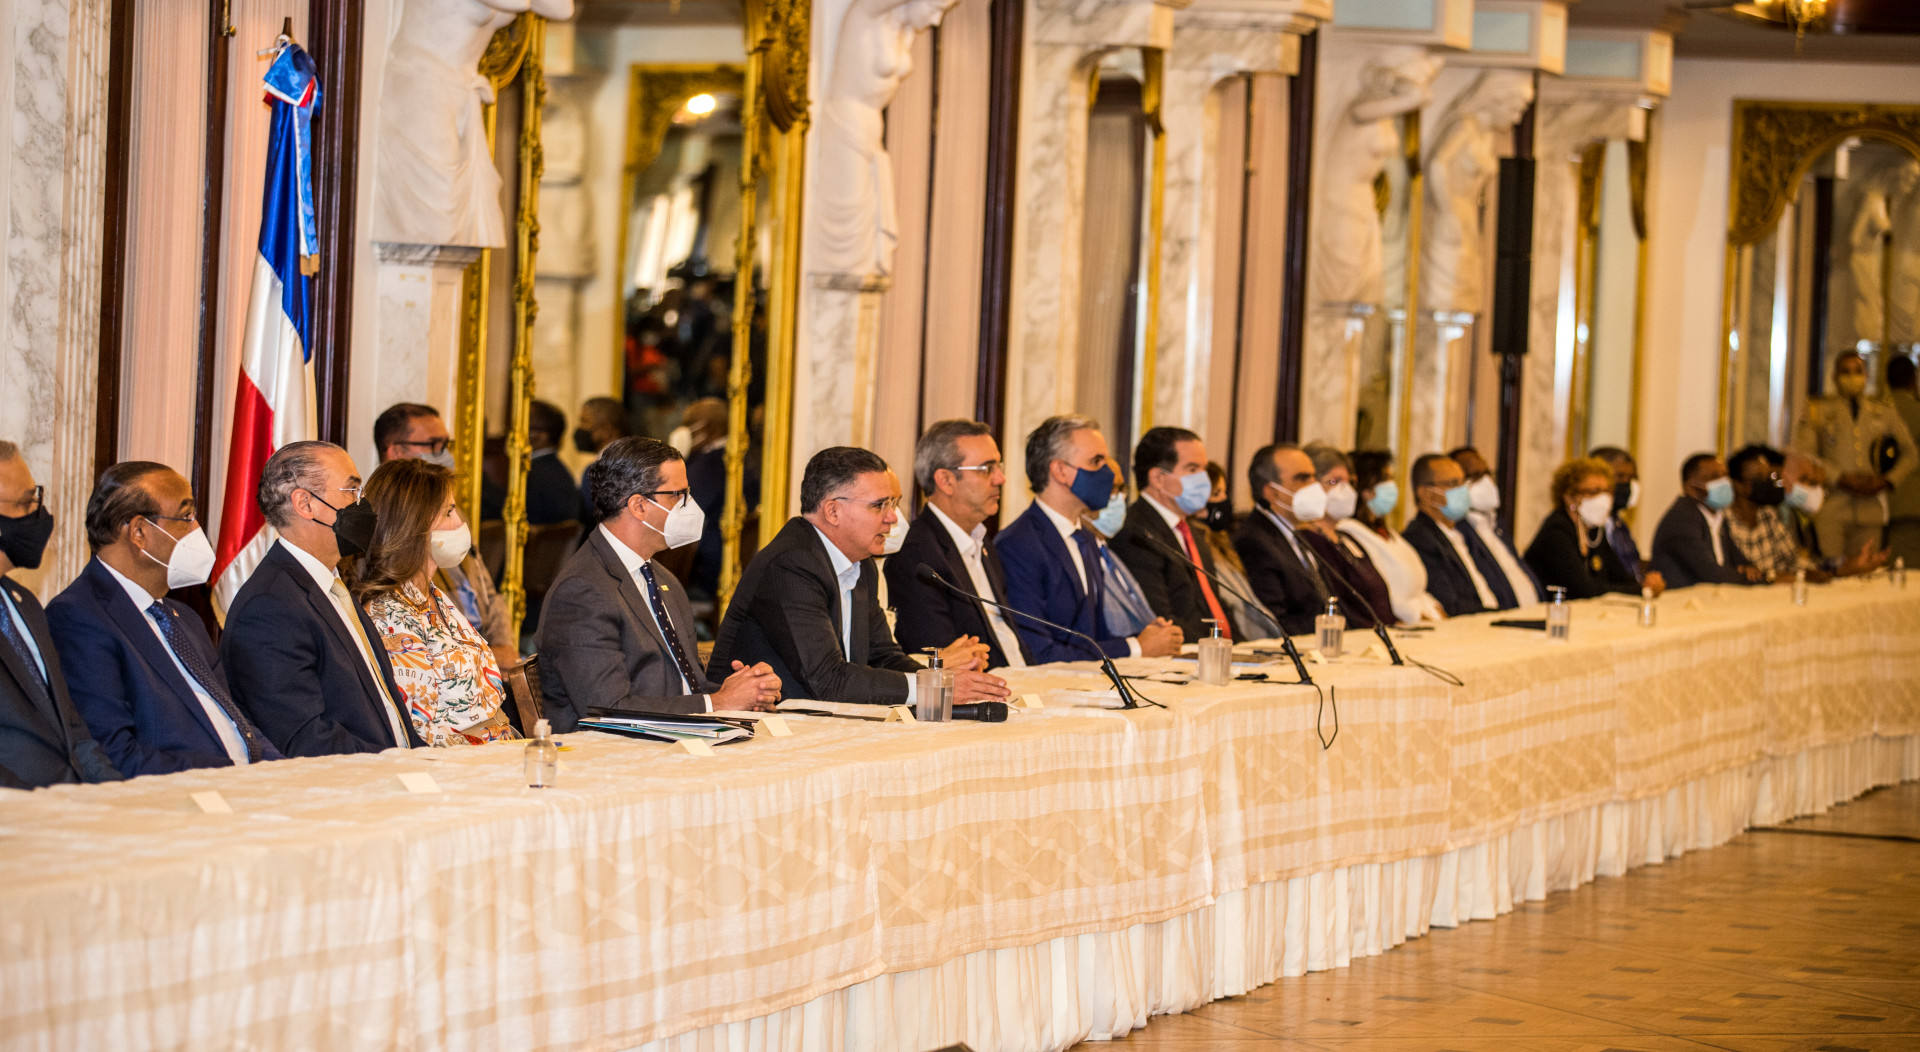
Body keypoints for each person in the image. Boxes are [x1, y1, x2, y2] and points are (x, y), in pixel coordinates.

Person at [709, 447, 1006, 706]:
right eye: (879, 505)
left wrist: (942, 680)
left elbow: (883, 657)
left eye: (893, 504)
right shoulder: (791, 564)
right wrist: (933, 688)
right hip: (753, 727)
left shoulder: (861, 563)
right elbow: (827, 679)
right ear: (833, 511)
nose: (893, 518)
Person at [47, 463, 281, 776]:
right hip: (188, 793)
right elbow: (113, 753)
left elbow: (235, 721)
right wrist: (231, 774)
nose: (197, 530)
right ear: (139, 532)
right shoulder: (78, 617)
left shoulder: (184, 618)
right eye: (186, 517)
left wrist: (282, 771)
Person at [538, 438, 781, 730]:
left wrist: (746, 691)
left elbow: (687, 686)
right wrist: (718, 702)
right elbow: (607, 709)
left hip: (674, 737)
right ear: (639, 506)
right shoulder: (583, 590)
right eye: (678, 495)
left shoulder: (664, 580)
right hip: (610, 749)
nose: (689, 505)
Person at [222, 441, 424, 756]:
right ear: (306, 504)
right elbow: (305, 739)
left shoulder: (333, 586)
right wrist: (396, 763)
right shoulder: (270, 607)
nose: (363, 504)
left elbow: (388, 711)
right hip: (354, 778)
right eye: (352, 491)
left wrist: (423, 758)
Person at [349, 458, 518, 746]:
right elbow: (417, 731)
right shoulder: (389, 613)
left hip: (494, 748)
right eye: (449, 512)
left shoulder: (432, 594)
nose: (460, 523)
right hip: (459, 763)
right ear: (414, 523)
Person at [995, 416, 1184, 662]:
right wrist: (1135, 647)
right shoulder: (1018, 545)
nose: (1108, 473)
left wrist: (1148, 637)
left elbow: (1094, 639)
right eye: (1096, 462)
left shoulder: (1086, 540)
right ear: (1060, 471)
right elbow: (1037, 652)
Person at [0, 442, 122, 788]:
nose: (39, 514)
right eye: (26, 503)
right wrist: (43, 806)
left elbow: (73, 729)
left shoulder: (24, 603)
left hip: (74, 800)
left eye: (36, 498)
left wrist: (115, 794)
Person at [373, 402, 516, 670]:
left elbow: (488, 593)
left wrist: (504, 647)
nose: (447, 455)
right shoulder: (382, 523)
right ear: (397, 452)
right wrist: (487, 655)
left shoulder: (455, 516)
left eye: (446, 445)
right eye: (434, 445)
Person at [885, 420, 1032, 669]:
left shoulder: (983, 542)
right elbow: (939, 657)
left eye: (999, 467)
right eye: (986, 469)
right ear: (946, 480)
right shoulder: (916, 555)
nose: (1000, 478)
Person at [1111, 427, 1239, 640]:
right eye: (1192, 469)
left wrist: (1242, 648)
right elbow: (1161, 619)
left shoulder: (1193, 533)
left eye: (1204, 469)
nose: (1203, 479)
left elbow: (1215, 606)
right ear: (1158, 478)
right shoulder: (1136, 534)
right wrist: (1214, 645)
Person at [1791, 350, 1917, 560]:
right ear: (1835, 377)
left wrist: (1886, 481)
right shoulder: (1818, 410)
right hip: (1832, 504)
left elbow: (1910, 454)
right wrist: (1840, 477)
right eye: (1846, 372)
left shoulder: (1882, 411)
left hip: (1871, 506)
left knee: (1866, 570)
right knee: (1831, 567)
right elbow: (1806, 454)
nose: (1852, 377)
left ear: (1866, 375)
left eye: (1858, 371)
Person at [1726, 444, 1882, 582]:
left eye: (1769, 476)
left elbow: (1794, 562)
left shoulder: (1767, 515)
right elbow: (1738, 572)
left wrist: (1843, 567)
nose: (1770, 482)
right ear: (1738, 485)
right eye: (1760, 478)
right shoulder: (1725, 523)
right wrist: (1776, 577)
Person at [1233, 444, 1338, 636]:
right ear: (1272, 492)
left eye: (1314, 477)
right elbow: (1276, 620)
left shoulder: (1299, 535)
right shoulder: (1253, 541)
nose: (1314, 486)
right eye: (1303, 478)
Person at [1335, 450, 1446, 624]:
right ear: (1366, 489)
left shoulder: (1388, 533)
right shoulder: (1349, 531)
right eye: (1385, 479)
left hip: (1425, 619)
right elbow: (1388, 592)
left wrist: (1434, 610)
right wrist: (1418, 617)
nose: (1392, 486)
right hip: (1400, 624)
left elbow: (1417, 587)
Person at [1402, 453, 1517, 616]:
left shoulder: (1460, 532)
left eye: (1463, 482)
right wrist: (1502, 615)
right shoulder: (1420, 539)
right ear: (1427, 494)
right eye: (1453, 483)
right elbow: (1451, 606)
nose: (1463, 491)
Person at [1296, 443, 1395, 627]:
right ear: (1310, 487)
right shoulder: (1308, 539)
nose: (1346, 490)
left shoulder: (1345, 537)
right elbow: (1337, 600)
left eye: (1350, 482)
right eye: (1334, 481)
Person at [1523, 457, 1649, 599]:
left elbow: (1621, 578)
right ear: (1570, 497)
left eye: (1607, 492)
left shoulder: (1594, 531)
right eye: (1594, 492)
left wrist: (1643, 586)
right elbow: (1585, 590)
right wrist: (1641, 590)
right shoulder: (1557, 529)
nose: (1604, 499)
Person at [1447, 446, 1542, 608]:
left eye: (1487, 473)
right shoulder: (1458, 530)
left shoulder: (1497, 525)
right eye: (1476, 476)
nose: (1486, 482)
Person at [1198, 462, 1282, 639]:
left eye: (1225, 493)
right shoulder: (1197, 547)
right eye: (1216, 493)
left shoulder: (1222, 543)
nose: (1225, 500)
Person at [1649, 453, 1759, 589]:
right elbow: (1711, 574)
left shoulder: (1717, 516)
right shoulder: (1682, 519)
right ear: (1691, 487)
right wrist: (1757, 579)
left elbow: (1740, 561)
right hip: (1681, 598)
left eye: (1725, 475)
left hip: (1713, 595)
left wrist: (1749, 569)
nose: (1724, 482)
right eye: (1715, 477)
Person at [481, 399, 585, 525]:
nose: (513, 432)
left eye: (522, 427)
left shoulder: (537, 474)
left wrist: (479, 480)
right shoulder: (554, 469)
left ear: (542, 437)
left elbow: (510, 516)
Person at [1588, 446, 1663, 593]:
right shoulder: (1591, 527)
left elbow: (1630, 570)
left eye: (1631, 478)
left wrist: (1649, 582)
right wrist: (1640, 589)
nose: (1626, 484)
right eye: (1620, 476)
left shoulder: (1619, 525)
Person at [572, 396, 630, 527]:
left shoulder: (598, 470)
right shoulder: (634, 461)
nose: (580, 427)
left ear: (605, 431)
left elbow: (591, 519)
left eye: (584, 421)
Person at [1886, 355, 1920, 565]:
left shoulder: (1877, 412)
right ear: (1912, 380)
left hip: (1882, 504)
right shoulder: (1916, 411)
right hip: (1913, 506)